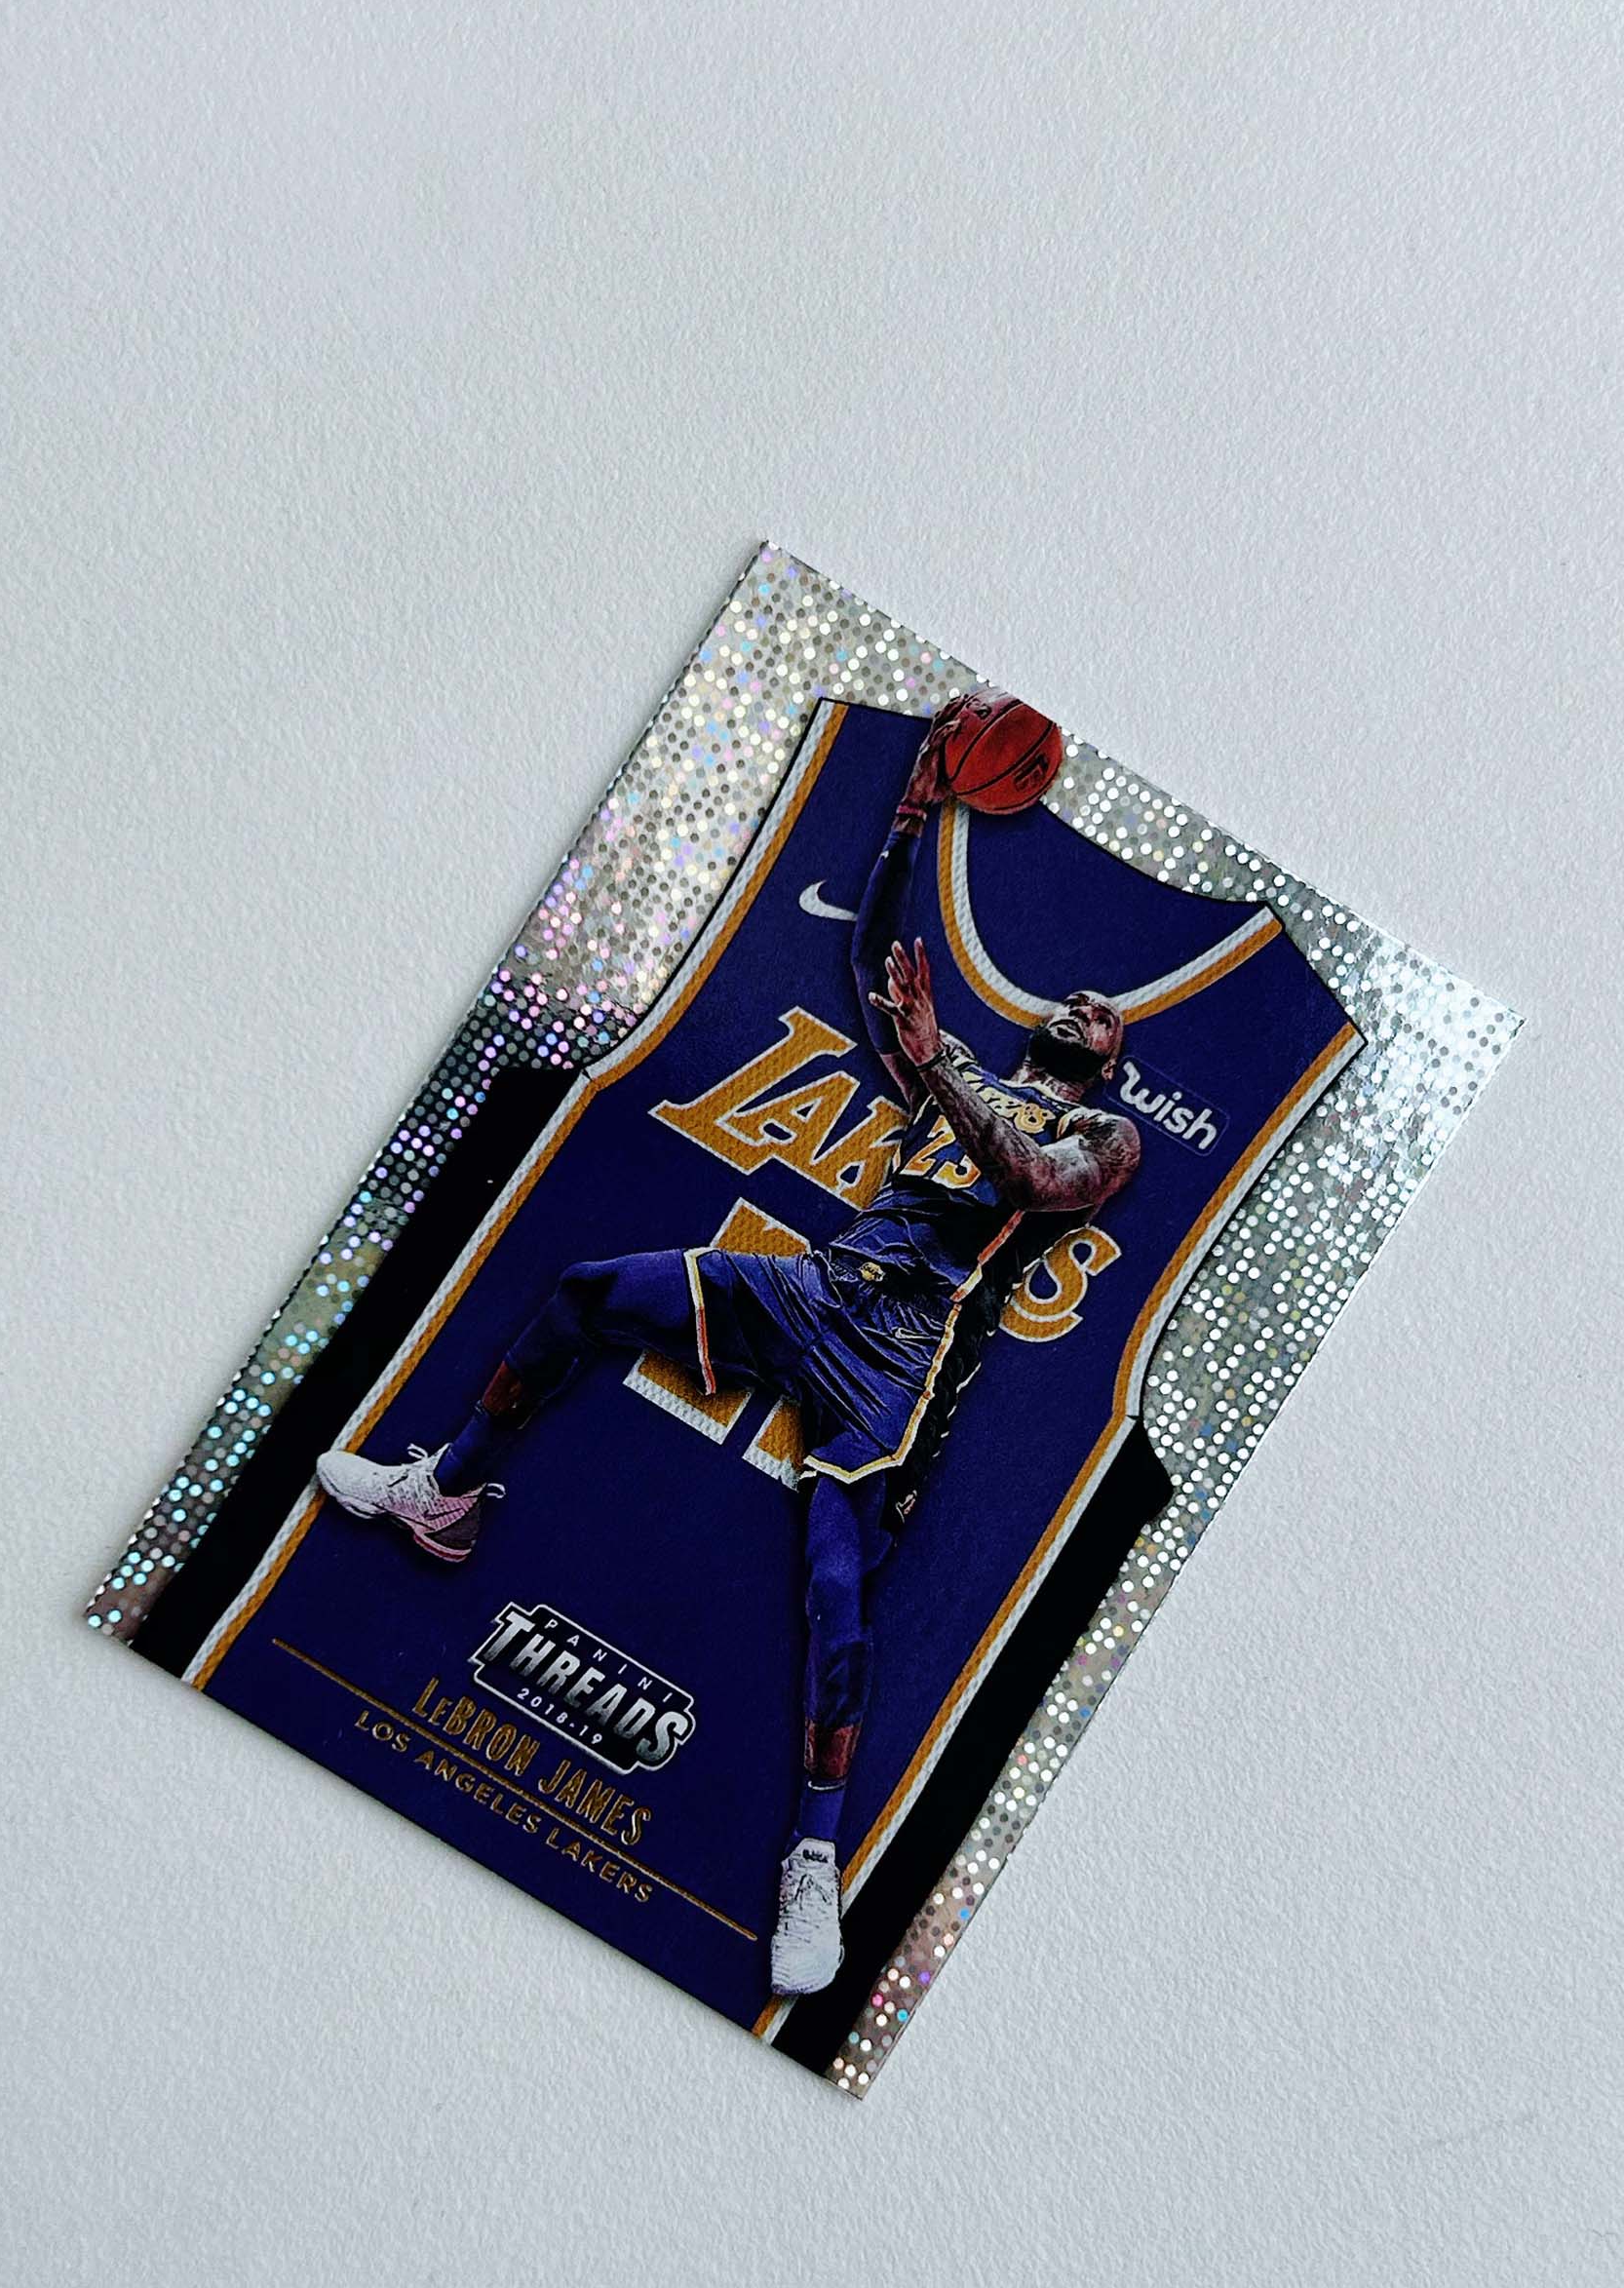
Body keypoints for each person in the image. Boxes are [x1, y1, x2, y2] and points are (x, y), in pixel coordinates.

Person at [314, 708, 1141, 2000]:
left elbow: (1032, 1181)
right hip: (817, 1286)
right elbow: (869, 951)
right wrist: (913, 809)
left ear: (1108, 1057)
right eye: (1078, 997)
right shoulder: (966, 1067)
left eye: (1107, 1015)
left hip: (897, 1357)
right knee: (589, 1293)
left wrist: (941, 1069)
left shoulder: (1103, 1139)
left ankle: (812, 1857)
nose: (1088, 1007)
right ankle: (445, 1494)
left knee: (835, 1594)